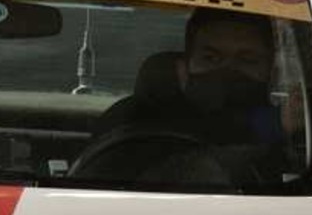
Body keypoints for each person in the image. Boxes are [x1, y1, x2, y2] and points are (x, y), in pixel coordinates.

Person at [97, 8, 295, 148]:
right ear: (183, 70)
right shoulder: (128, 124)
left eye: (247, 60)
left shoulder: (305, 138)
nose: (227, 72)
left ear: (272, 74)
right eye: (211, 58)